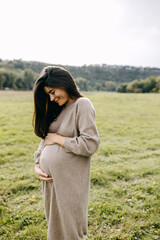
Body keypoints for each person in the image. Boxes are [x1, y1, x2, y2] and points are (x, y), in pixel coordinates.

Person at [33, 66, 100, 240]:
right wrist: (38, 163)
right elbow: (45, 138)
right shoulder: (58, 108)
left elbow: (90, 143)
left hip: (70, 181)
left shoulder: (82, 105)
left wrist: (59, 139)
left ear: (63, 83)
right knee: (55, 227)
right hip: (51, 181)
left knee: (71, 229)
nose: (52, 97)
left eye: (53, 92)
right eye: (49, 94)